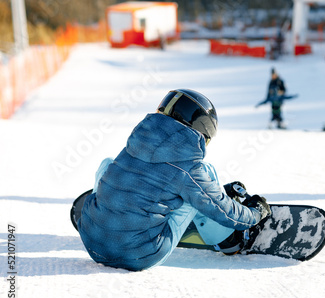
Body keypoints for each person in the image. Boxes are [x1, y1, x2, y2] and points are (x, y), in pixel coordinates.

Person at [77, 89, 271, 271]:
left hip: (93, 245)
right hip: (139, 255)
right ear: (202, 131)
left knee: (109, 163)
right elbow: (226, 213)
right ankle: (227, 240)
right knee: (201, 180)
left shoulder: (135, 144)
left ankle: (107, 212)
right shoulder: (189, 168)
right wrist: (255, 212)